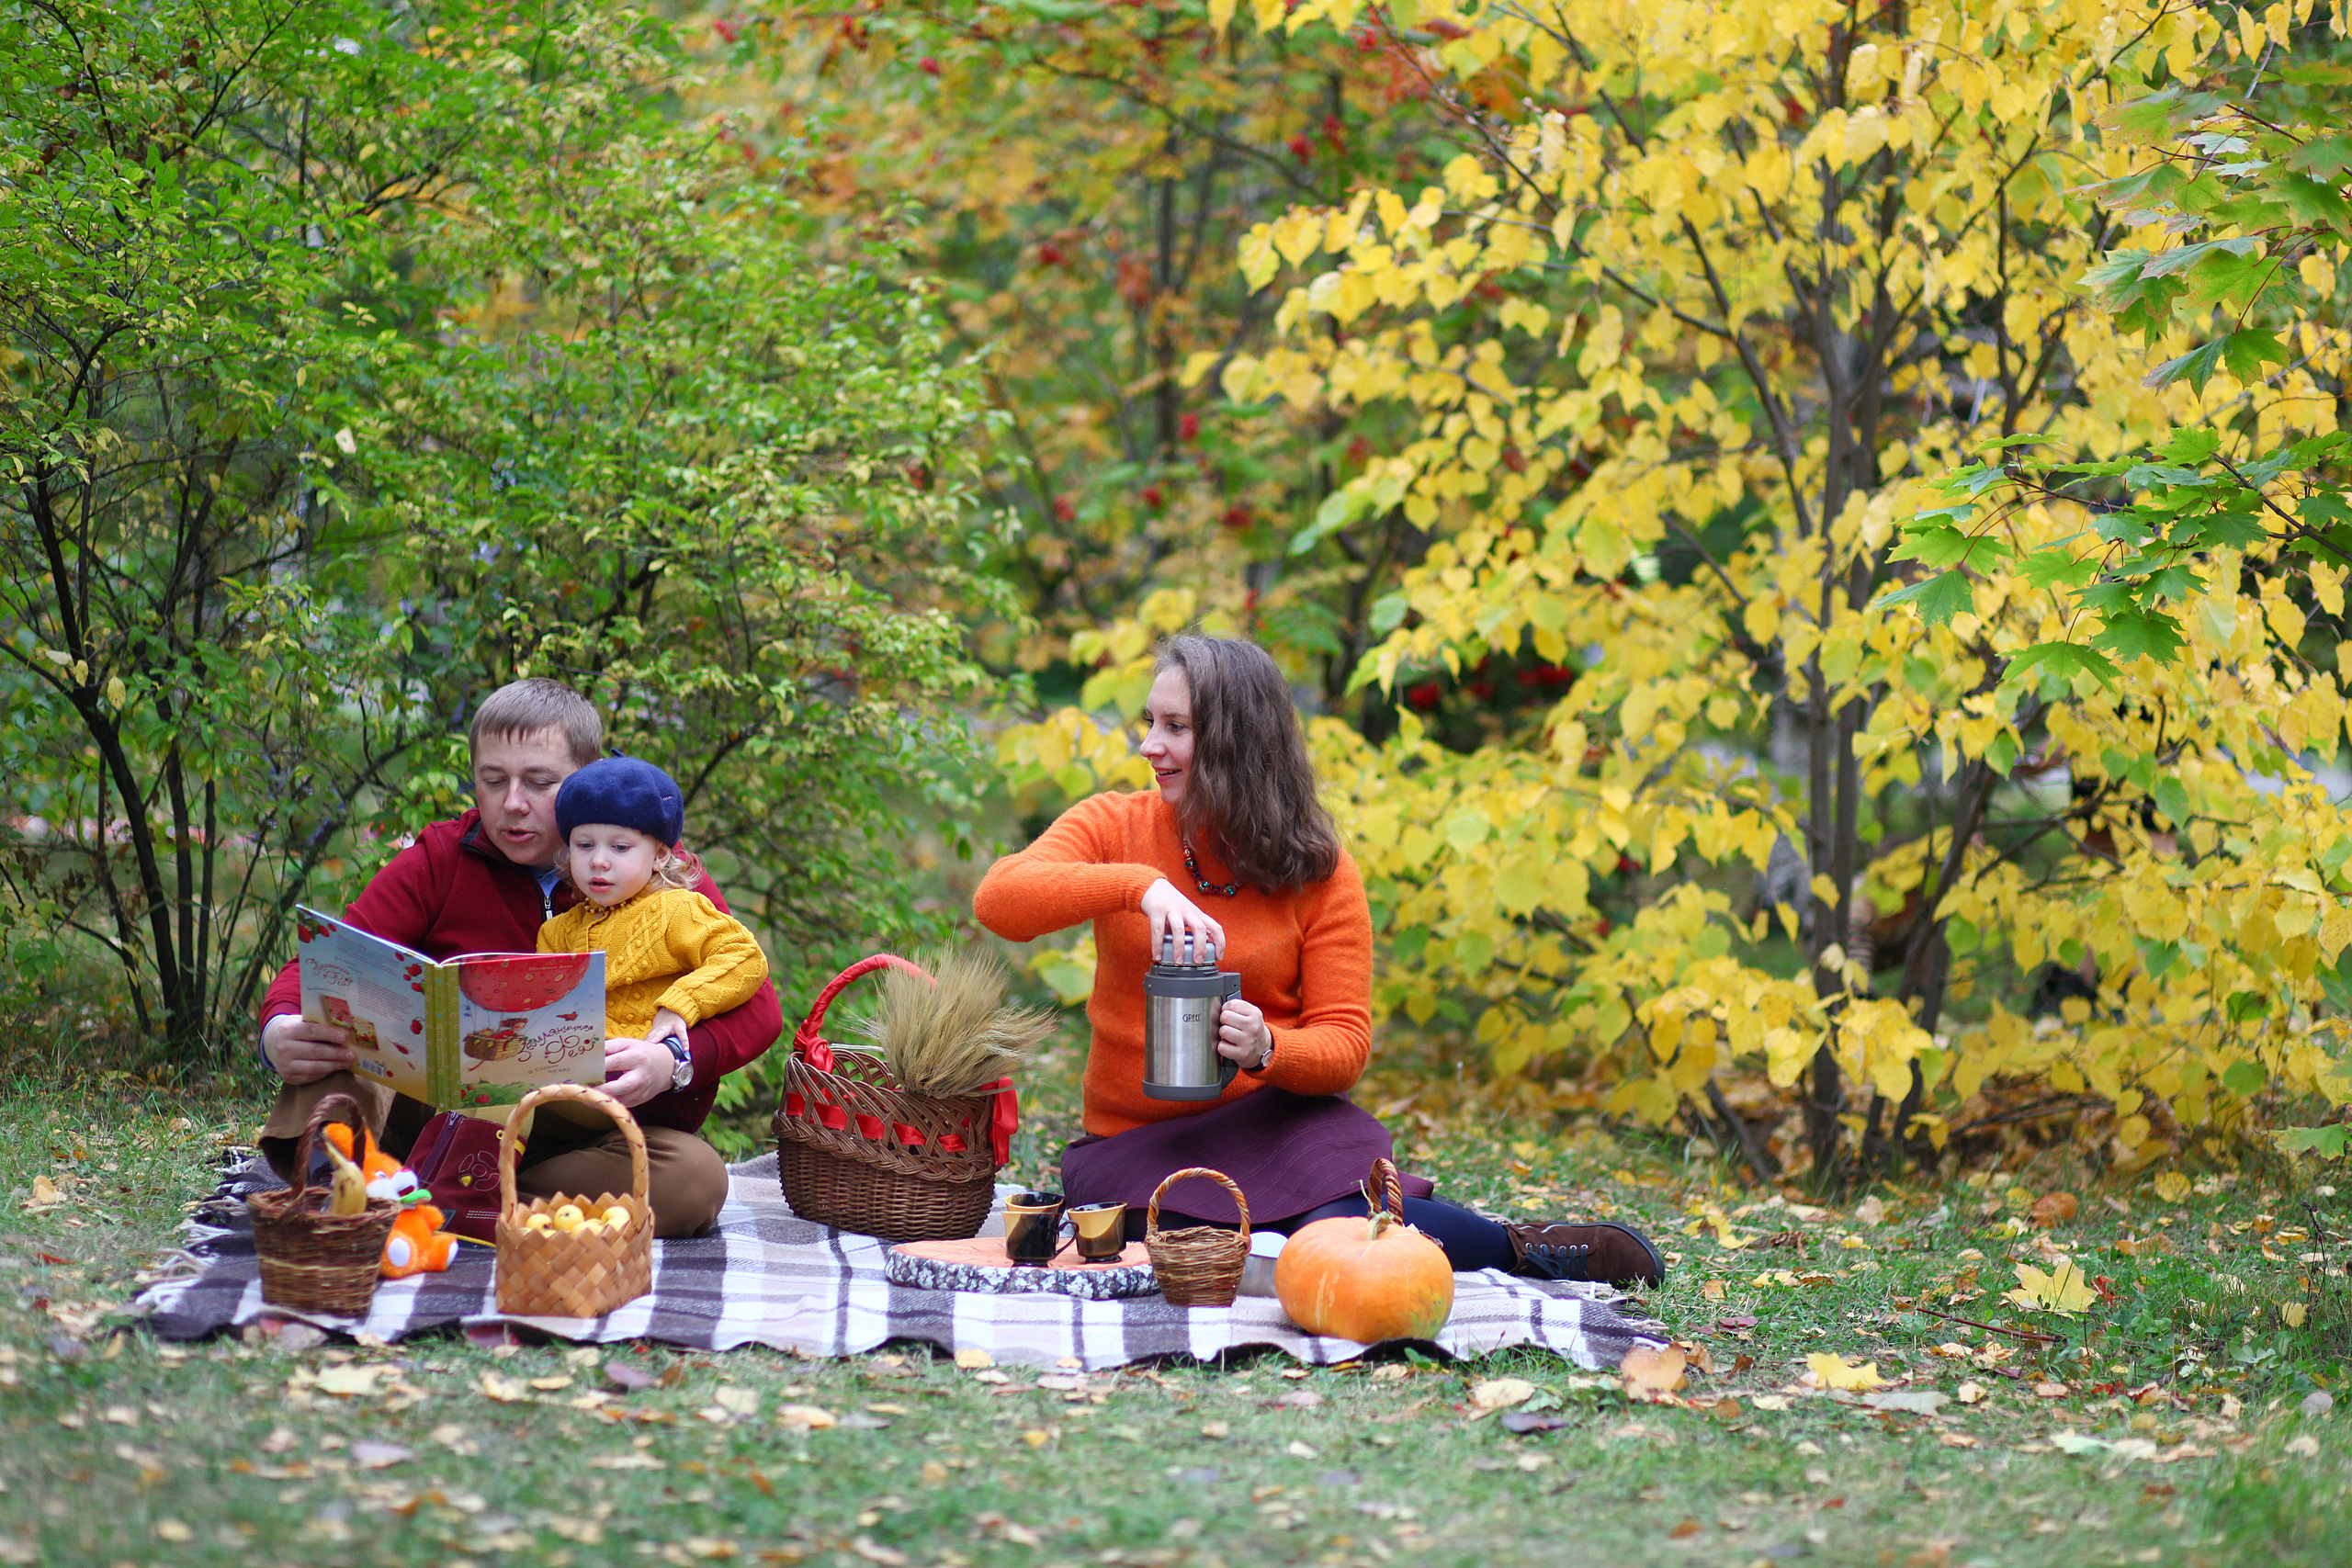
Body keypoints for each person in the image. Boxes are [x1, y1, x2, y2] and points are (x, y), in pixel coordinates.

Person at [974, 634, 1665, 1284]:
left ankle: (1524, 1250)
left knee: (1335, 1227)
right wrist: (1138, 885)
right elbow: (1000, 899)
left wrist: (1267, 1046)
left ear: (1237, 741)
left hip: (1274, 1123)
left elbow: (1345, 1043)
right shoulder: (1114, 825)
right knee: (1167, 1232)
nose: (1151, 746)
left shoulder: (1320, 871)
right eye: (1149, 722)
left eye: (1175, 727)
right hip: (1135, 1141)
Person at [256, 679, 783, 1236]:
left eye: (539, 783)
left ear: (584, 782)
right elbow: (329, 961)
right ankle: (335, 1185)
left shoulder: (655, 870)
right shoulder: (441, 858)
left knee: (695, 1177)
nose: (512, 803)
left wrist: (672, 1061)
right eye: (492, 780)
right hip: (444, 1118)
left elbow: (759, 1005)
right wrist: (280, 1031)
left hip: (588, 1133)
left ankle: (425, 1200)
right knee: (343, 1030)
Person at [537, 756, 771, 1066]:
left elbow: (744, 958)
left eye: (620, 847)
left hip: (649, 1080)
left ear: (659, 856)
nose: (599, 861)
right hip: (572, 1075)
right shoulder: (556, 933)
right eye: (584, 845)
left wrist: (681, 1003)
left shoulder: (676, 910)